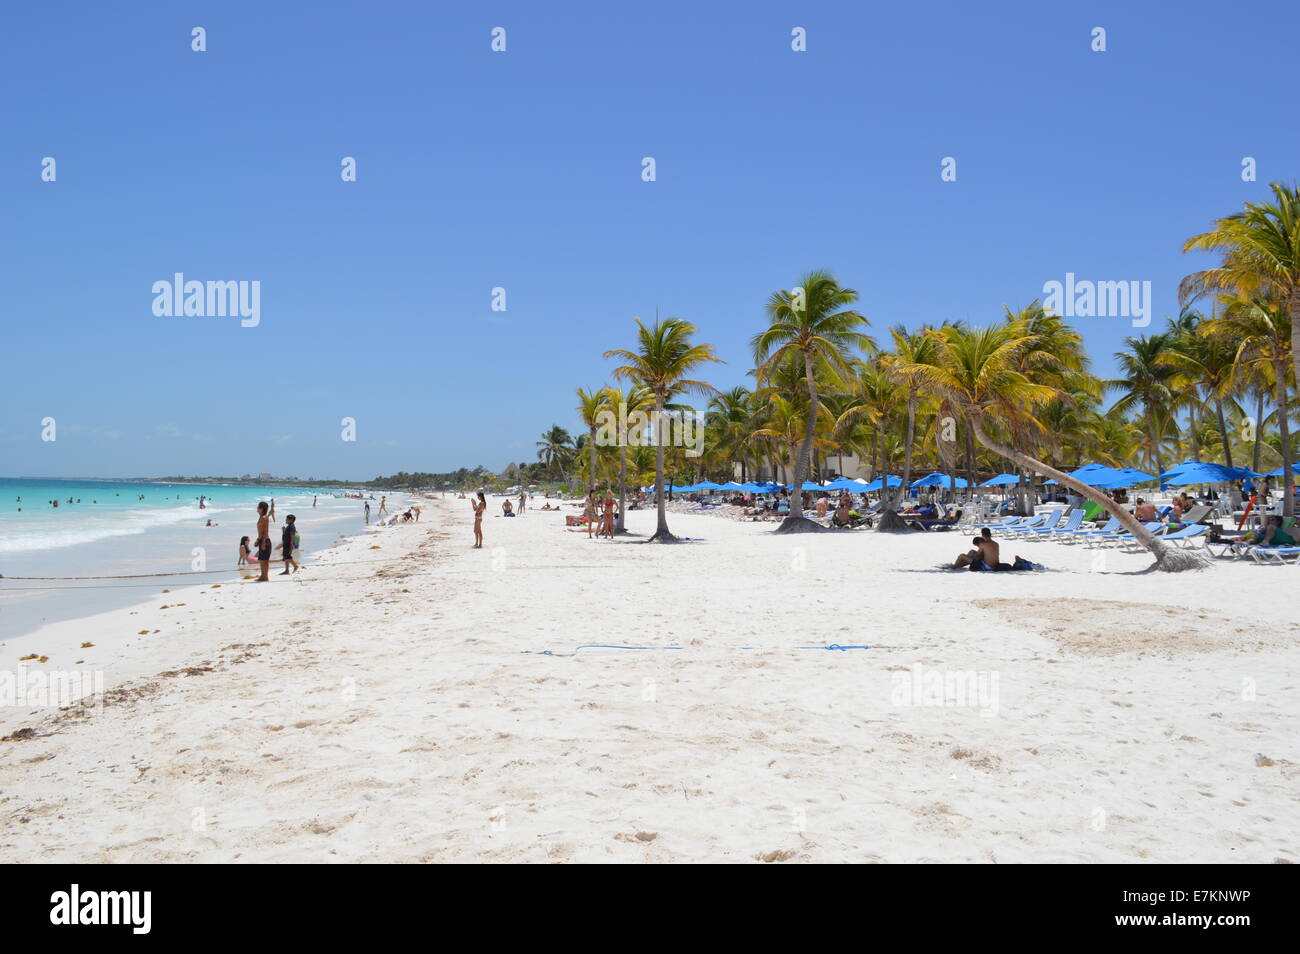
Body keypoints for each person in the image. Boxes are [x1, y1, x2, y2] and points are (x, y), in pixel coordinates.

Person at [254, 501, 272, 582]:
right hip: (262, 539)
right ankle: (263, 576)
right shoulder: (261, 517)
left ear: (261, 509)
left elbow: (265, 531)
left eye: (258, 507)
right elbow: (260, 532)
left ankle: (265, 577)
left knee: (264, 560)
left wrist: (263, 542)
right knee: (261, 560)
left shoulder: (264, 517)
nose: (257, 509)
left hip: (265, 540)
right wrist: (258, 540)